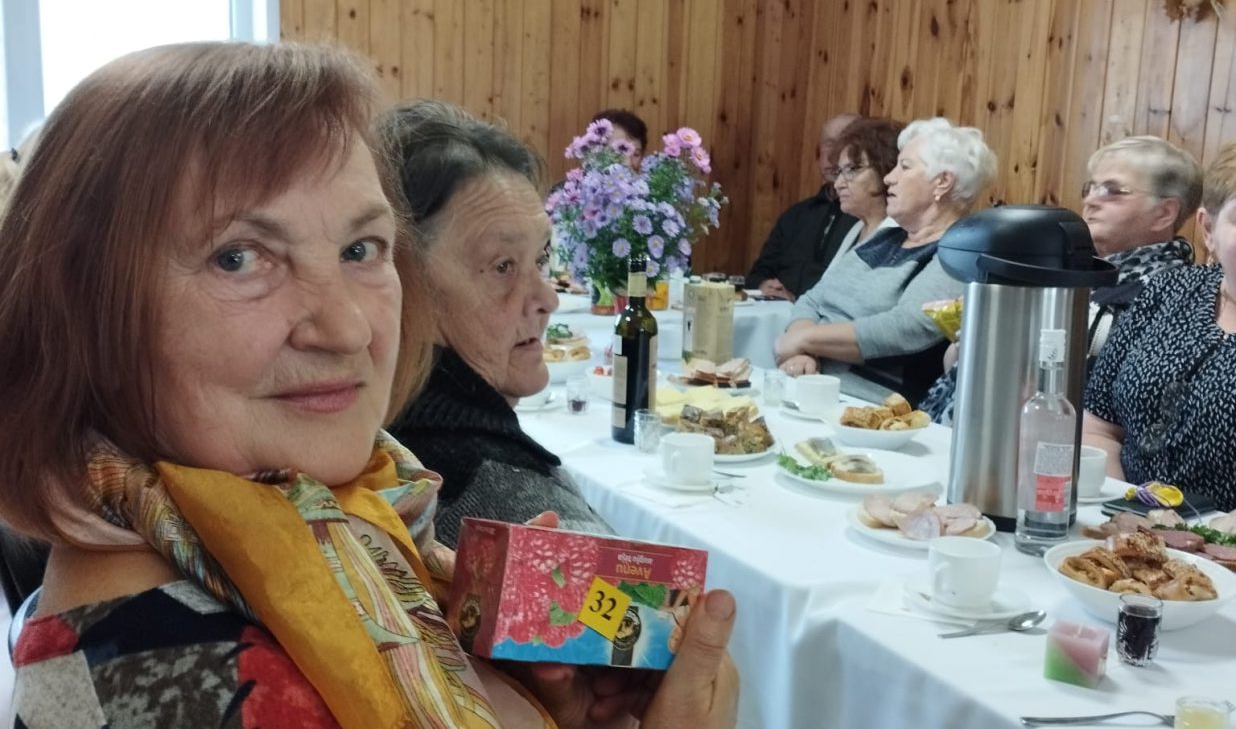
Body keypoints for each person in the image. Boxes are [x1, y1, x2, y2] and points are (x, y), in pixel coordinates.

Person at [0, 41, 738, 728]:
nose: (348, 328)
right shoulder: (186, 679)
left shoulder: (346, 522)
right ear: (86, 316)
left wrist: (525, 705)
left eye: (360, 249)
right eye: (239, 257)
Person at [380, 99, 613, 548]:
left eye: (541, 257)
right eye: (503, 266)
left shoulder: (381, 428)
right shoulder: (506, 500)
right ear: (403, 285)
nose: (548, 299)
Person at [921, 136, 1200, 425]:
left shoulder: (1172, 297)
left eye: (1113, 191)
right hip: (956, 425)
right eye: (1090, 188)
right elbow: (956, 363)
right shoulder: (1065, 265)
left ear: (1164, 213)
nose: (1091, 200)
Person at [775, 118, 996, 404]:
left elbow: (905, 328)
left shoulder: (957, 254)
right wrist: (802, 352)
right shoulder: (885, 238)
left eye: (905, 167)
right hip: (815, 386)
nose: (889, 178)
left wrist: (806, 340)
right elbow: (813, 299)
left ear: (942, 182)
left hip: (872, 406)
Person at [1082, 141, 1236, 510]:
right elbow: (1100, 427)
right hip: (1122, 521)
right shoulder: (1167, 291)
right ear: (1209, 229)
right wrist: (1122, 513)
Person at [746, 112, 860, 301]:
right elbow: (758, 274)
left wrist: (797, 300)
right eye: (829, 144)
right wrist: (764, 285)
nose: (834, 154)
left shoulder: (867, 219)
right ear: (818, 153)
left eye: (844, 143)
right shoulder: (795, 215)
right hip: (774, 311)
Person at [824, 117, 904, 268]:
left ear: (885, 169)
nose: (838, 184)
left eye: (852, 169)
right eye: (839, 172)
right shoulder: (856, 229)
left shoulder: (899, 235)